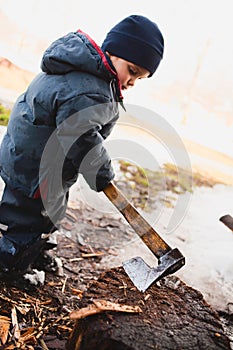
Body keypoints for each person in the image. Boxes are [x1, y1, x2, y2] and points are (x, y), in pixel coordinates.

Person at [0, 15, 164, 274]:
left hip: (35, 160)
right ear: (112, 51)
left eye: (140, 78)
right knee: (28, 219)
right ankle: (11, 264)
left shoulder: (88, 77)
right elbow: (81, 137)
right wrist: (102, 172)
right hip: (37, 168)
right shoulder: (88, 89)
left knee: (46, 209)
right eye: (132, 70)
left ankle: (33, 250)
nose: (132, 81)